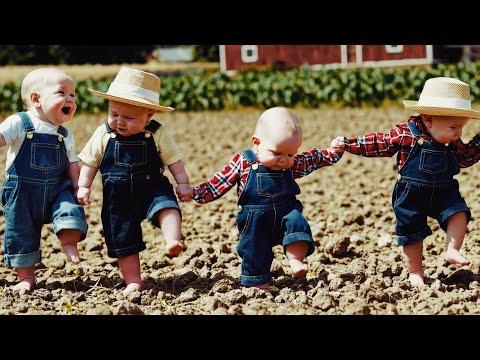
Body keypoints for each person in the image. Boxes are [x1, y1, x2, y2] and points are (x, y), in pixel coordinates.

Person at [332, 77, 480, 286]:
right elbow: (378, 143)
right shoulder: (406, 134)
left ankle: (452, 249)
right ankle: (416, 272)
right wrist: (348, 144)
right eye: (454, 127)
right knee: (411, 232)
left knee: (459, 213)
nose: (458, 134)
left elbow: (467, 157)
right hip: (411, 193)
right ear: (428, 120)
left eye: (461, 128)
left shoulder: (452, 141)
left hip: (445, 191)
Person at [177, 106, 344, 291]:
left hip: (285, 211)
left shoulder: (290, 164)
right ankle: (259, 285)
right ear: (256, 142)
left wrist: (333, 152)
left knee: (297, 223)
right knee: (254, 249)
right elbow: (219, 183)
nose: (284, 160)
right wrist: (196, 192)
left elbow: (313, 159)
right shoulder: (244, 162)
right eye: (277, 153)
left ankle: (296, 261)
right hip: (254, 219)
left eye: (291, 154)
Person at [77, 67, 190, 294]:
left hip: (152, 186)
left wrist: (183, 183)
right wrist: (83, 186)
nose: (119, 121)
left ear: (149, 116)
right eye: (113, 114)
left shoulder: (157, 132)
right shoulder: (103, 133)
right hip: (118, 197)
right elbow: (90, 162)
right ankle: (133, 281)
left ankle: (172, 240)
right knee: (123, 239)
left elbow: (173, 160)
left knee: (167, 207)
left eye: (128, 117)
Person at [0, 68, 88, 293]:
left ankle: (69, 243)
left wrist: (79, 187)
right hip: (22, 190)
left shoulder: (65, 134)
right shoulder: (20, 122)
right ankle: (26, 278)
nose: (70, 98)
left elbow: (72, 164)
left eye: (73, 94)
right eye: (62, 93)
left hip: (58, 187)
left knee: (69, 208)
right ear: (36, 99)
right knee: (22, 231)